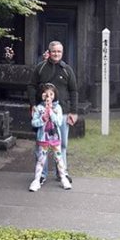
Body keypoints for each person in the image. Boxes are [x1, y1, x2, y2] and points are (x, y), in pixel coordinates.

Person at [27, 40, 78, 183]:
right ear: (49, 52)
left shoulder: (67, 69)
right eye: (54, 51)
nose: (56, 54)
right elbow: (31, 86)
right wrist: (33, 105)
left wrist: (73, 112)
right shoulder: (41, 68)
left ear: (62, 53)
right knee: (40, 144)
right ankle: (41, 174)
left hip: (61, 112)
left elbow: (74, 91)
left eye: (59, 51)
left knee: (62, 144)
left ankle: (62, 173)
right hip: (42, 111)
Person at [29, 83, 72, 192]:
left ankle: (63, 177)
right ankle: (37, 179)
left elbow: (58, 122)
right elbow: (34, 123)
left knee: (59, 158)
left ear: (55, 95)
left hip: (55, 138)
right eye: (46, 95)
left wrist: (51, 112)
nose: (49, 97)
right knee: (41, 160)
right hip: (43, 138)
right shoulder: (39, 108)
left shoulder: (58, 108)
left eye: (51, 94)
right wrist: (43, 119)